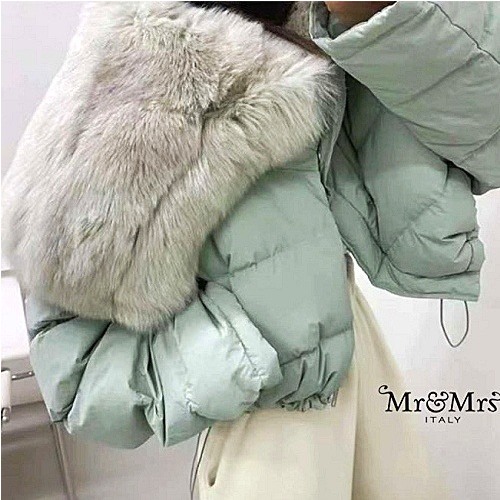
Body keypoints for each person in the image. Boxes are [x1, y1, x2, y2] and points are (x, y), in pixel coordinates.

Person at [1, 1, 498, 499]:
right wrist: (245, 351)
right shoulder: (140, 64)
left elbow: (486, 136)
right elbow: (75, 376)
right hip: (267, 428)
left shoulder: (322, 29)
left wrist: (377, 17)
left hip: (355, 367)